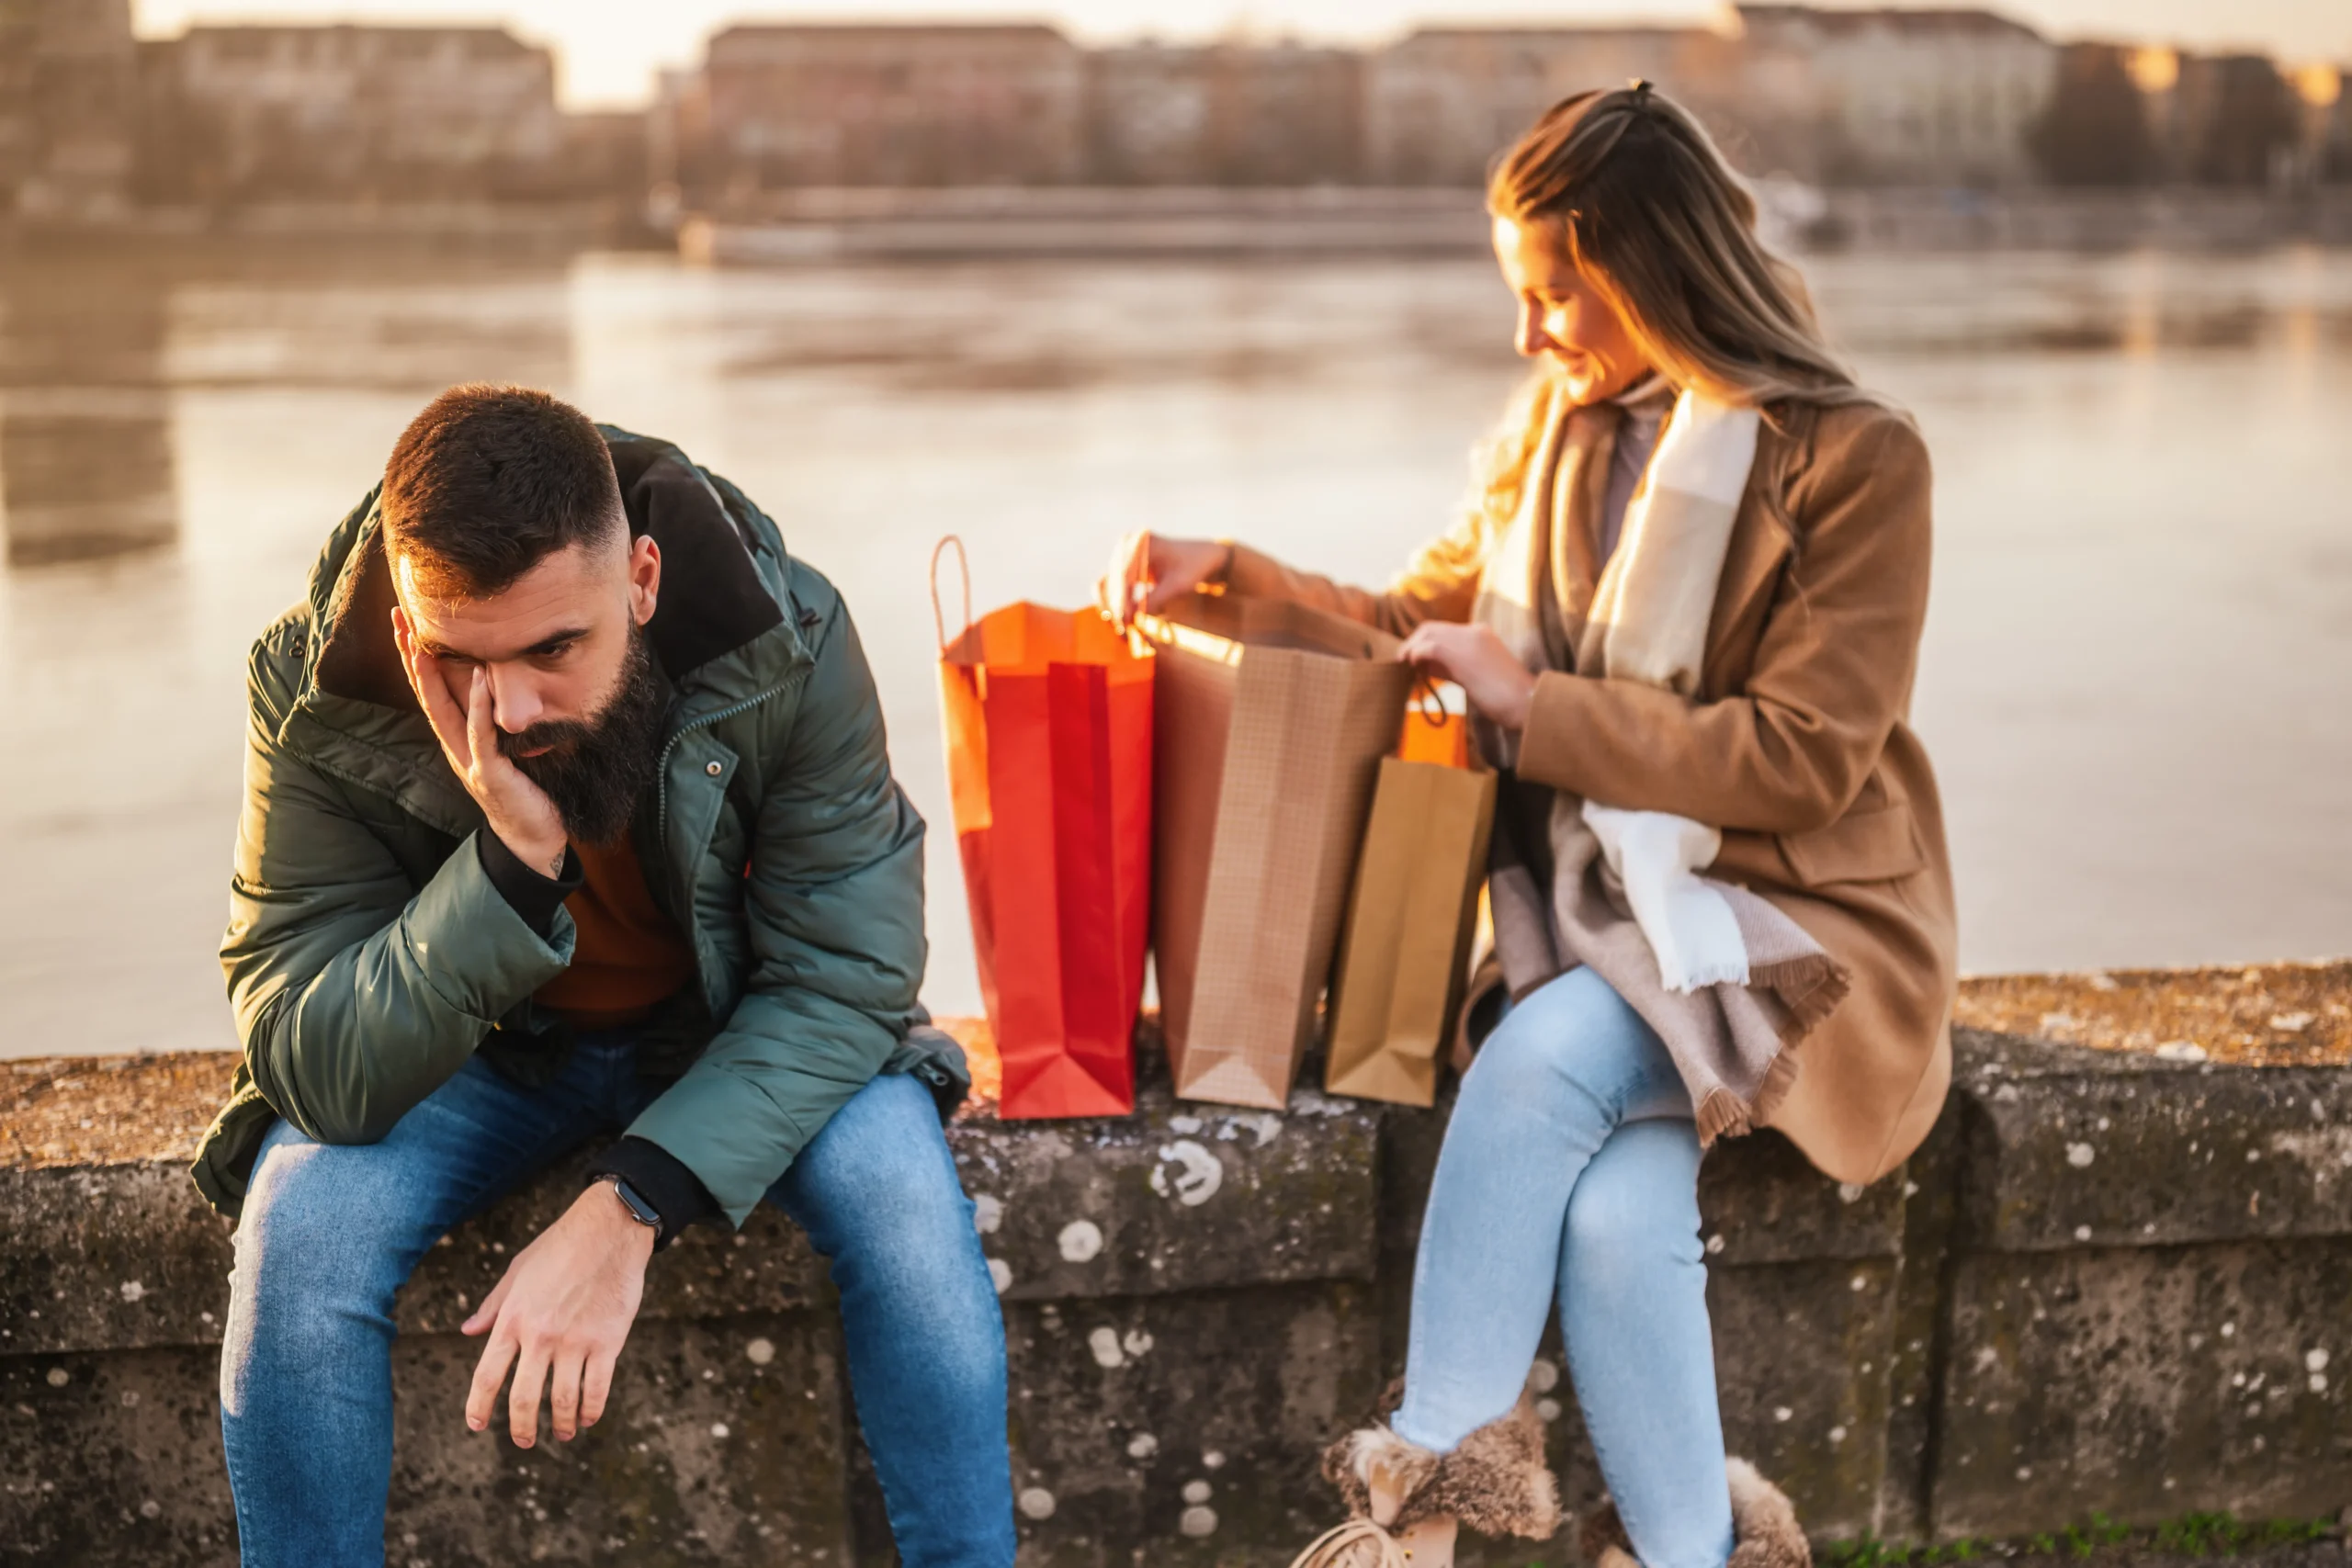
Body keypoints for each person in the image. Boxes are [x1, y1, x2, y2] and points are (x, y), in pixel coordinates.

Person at [1100, 84, 1956, 1568]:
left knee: (1538, 1057)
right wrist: (1224, 568)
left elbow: (1808, 755)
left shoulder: (1856, 459)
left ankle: (1409, 1525)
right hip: (1601, 910)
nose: (1531, 333)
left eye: (1556, 294)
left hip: (1794, 922)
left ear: (1657, 270)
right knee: (1622, 1231)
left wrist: (1538, 706)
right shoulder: (1549, 437)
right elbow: (1398, 620)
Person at [191, 384, 1016, 1568]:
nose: (509, 710)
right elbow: (306, 1053)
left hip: (740, 1032)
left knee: (908, 1213)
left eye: (553, 648)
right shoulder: (321, 683)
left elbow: (848, 976)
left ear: (640, 578)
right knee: (298, 1232)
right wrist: (514, 867)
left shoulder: (788, 636)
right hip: (482, 1057)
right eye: (462, 661)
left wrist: (633, 1202)